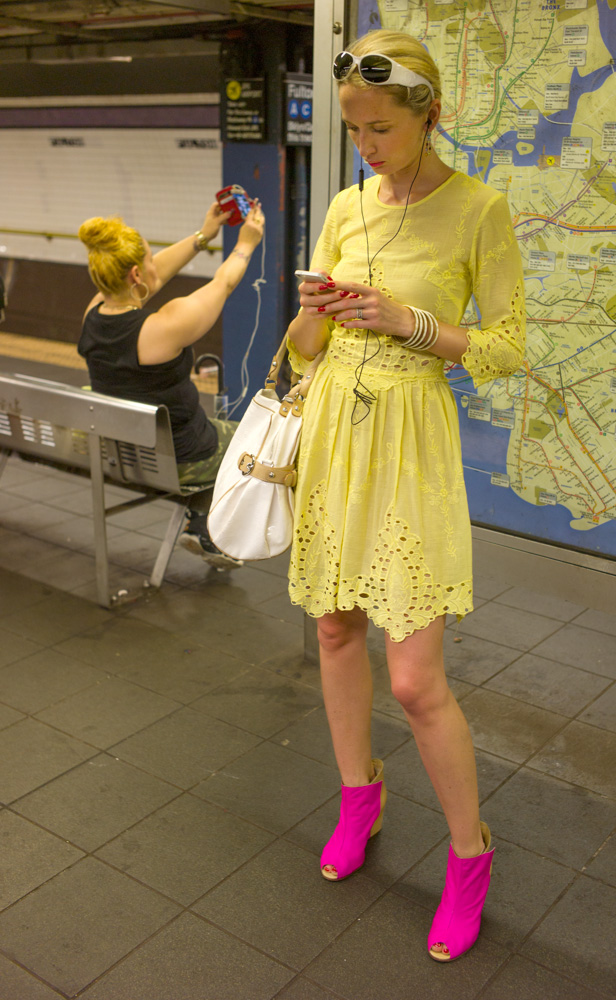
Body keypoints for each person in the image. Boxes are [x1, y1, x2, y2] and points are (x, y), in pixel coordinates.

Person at [286, 29, 525, 962]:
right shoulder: (346, 203)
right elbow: (305, 349)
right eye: (353, 129)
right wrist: (317, 311)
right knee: (335, 630)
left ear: (433, 114)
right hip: (339, 428)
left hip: (412, 442)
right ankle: (359, 795)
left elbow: (507, 348)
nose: (366, 147)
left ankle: (470, 858)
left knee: (419, 679)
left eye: (380, 127)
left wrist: (413, 323)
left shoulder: (479, 209)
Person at [78, 198, 264, 569]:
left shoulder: (92, 314)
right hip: (179, 458)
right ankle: (210, 525)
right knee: (255, 439)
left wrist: (203, 236)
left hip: (119, 449)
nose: (154, 263)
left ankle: (201, 523)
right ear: (134, 274)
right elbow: (224, 282)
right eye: (149, 257)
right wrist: (246, 243)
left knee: (210, 432)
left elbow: (154, 276)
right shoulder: (163, 327)